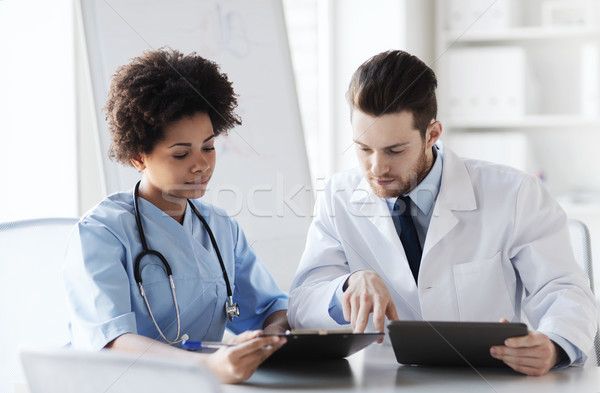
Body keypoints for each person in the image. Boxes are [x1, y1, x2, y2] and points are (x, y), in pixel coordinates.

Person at [288, 49, 598, 376]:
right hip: (386, 380)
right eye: (364, 149)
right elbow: (302, 304)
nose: (376, 167)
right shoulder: (337, 199)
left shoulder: (514, 194)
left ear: (432, 135)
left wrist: (553, 344)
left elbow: (564, 289)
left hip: (486, 378)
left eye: (395, 150)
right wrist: (347, 288)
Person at [63, 48, 289, 384]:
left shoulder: (221, 228)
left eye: (209, 147)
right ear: (139, 157)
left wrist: (272, 338)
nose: (202, 164)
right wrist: (207, 367)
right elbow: (110, 341)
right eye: (181, 153)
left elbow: (271, 309)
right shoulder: (102, 232)